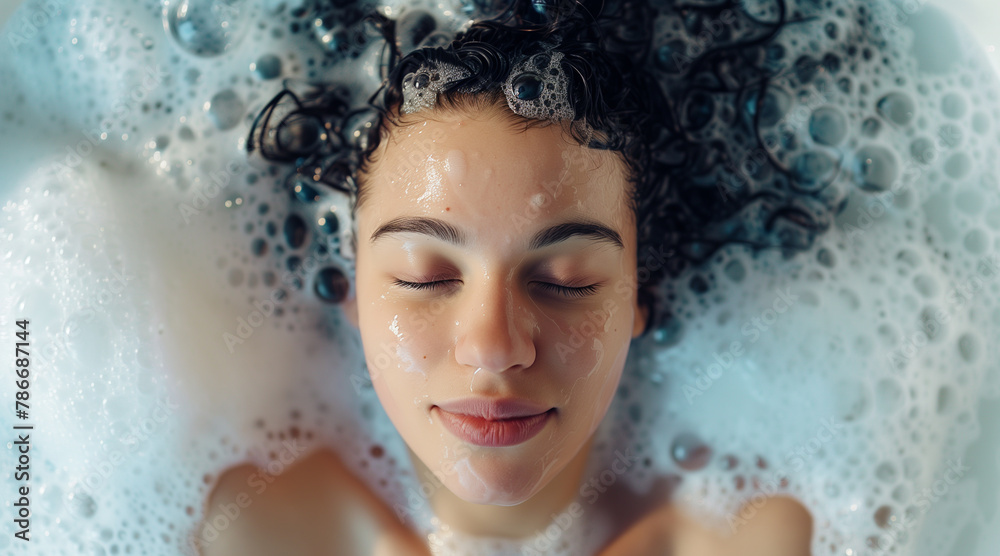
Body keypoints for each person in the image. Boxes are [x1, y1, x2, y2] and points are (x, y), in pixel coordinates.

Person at [196, 1, 813, 554]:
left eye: (567, 281)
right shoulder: (237, 530)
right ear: (351, 288)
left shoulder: (765, 538)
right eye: (425, 276)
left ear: (639, 296)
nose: (493, 345)